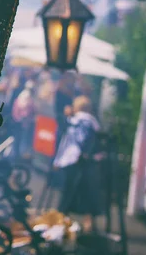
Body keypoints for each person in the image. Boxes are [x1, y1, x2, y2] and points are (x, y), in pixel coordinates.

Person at [54, 95, 101, 232]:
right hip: (85, 162)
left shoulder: (79, 120)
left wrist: (58, 160)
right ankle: (86, 222)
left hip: (72, 160)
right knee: (86, 192)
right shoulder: (92, 122)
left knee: (68, 192)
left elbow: (68, 141)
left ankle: (61, 220)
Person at [11, 80, 36, 159]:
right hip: (22, 122)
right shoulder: (26, 95)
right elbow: (25, 109)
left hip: (19, 120)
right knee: (21, 138)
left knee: (18, 138)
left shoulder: (23, 95)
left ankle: (17, 154)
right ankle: (18, 155)